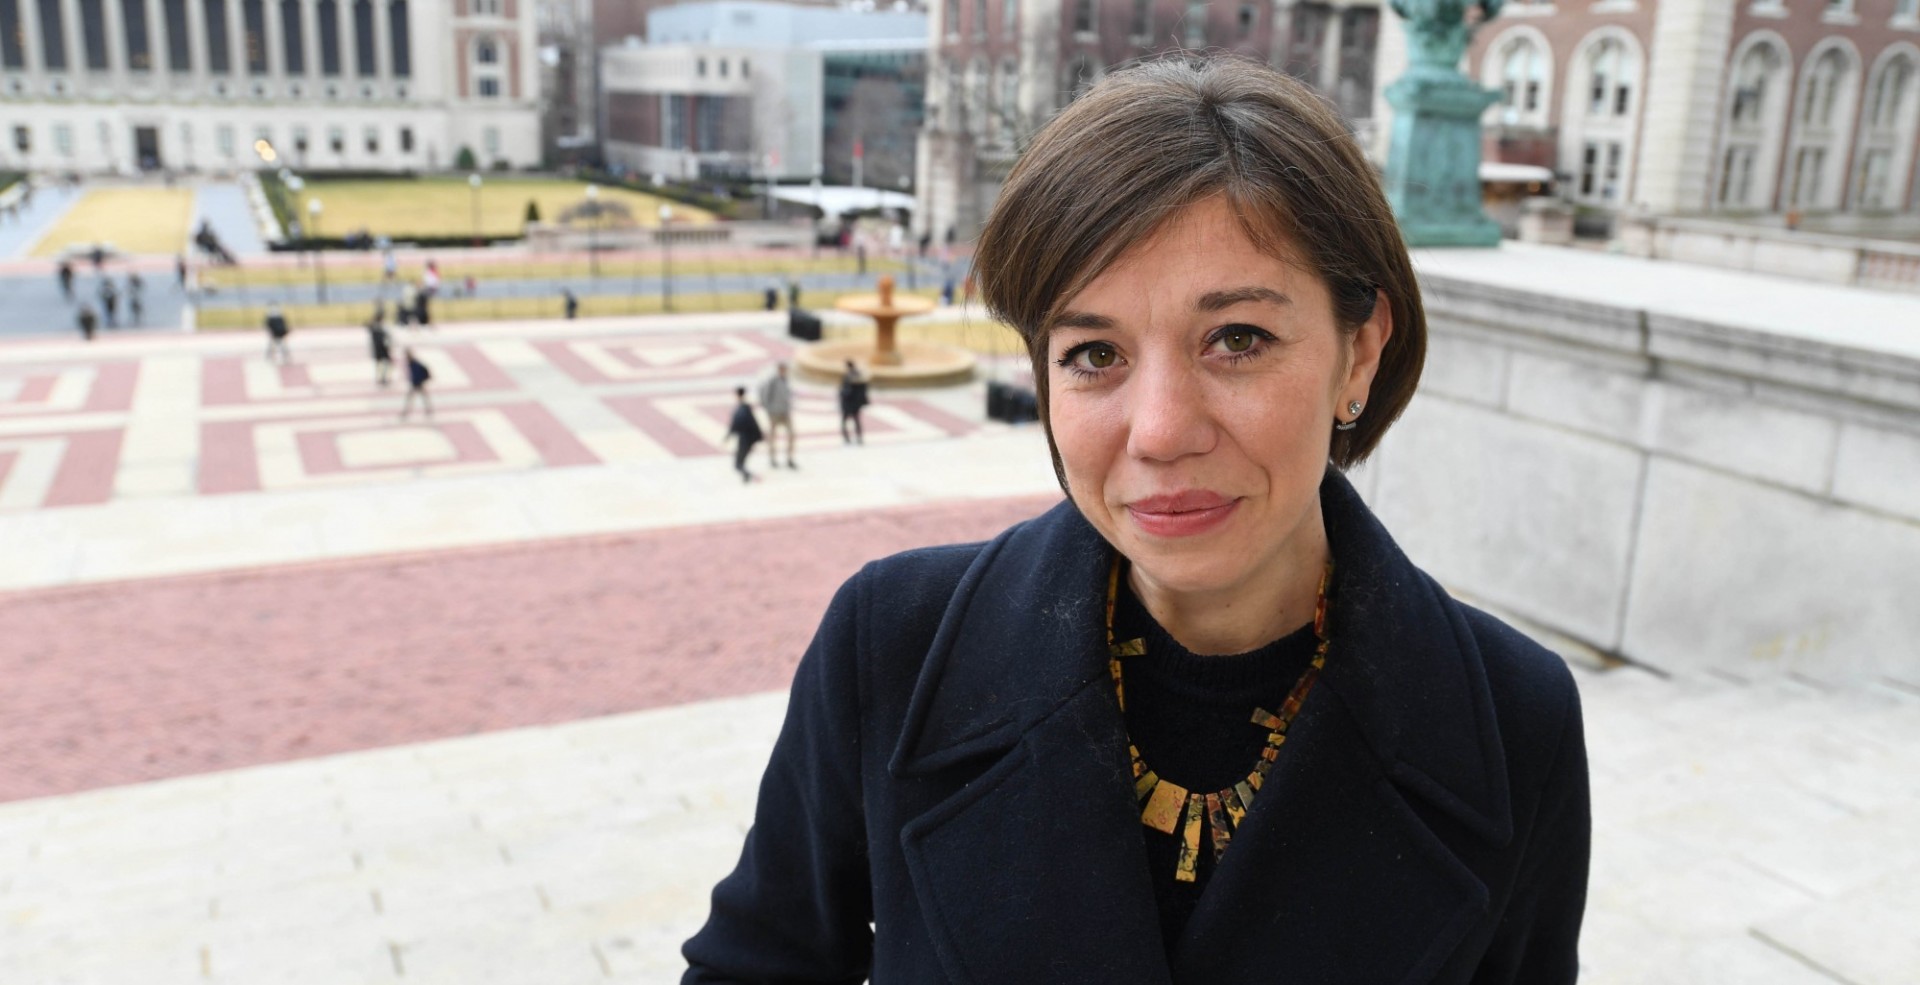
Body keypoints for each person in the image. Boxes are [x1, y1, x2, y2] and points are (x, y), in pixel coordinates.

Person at [682, 56, 1590, 984]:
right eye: (1095, 352)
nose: (1159, 431)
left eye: (1238, 340)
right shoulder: (890, 646)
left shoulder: (1518, 722)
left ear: (1359, 353)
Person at [757, 361, 797, 470]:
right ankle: (772, 458)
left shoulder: (786, 380)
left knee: (792, 435)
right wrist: (768, 409)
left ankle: (789, 459)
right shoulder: (772, 381)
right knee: (772, 436)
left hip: (785, 412)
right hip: (774, 413)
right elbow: (764, 395)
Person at [725, 386, 763, 484]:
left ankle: (749, 476)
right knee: (740, 462)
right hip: (747, 439)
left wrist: (728, 436)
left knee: (738, 464)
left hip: (745, 440)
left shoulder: (742, 409)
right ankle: (746, 477)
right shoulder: (746, 408)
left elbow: (735, 425)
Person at [838, 359, 868, 445]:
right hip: (856, 404)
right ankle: (858, 437)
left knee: (845, 421)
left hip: (849, 403)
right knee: (856, 420)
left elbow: (845, 391)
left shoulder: (848, 376)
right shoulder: (859, 375)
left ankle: (847, 437)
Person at [400, 348, 432, 420]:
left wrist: (418, 380)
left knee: (412, 398)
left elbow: (420, 372)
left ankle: (406, 412)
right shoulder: (411, 363)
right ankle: (427, 410)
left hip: (417, 383)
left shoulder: (414, 363)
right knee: (418, 397)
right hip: (416, 383)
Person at [367, 307, 394, 387]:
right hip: (381, 349)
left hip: (377, 349)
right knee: (384, 363)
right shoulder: (378, 328)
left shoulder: (375, 327)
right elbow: (385, 339)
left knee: (380, 364)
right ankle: (382, 378)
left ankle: (381, 378)